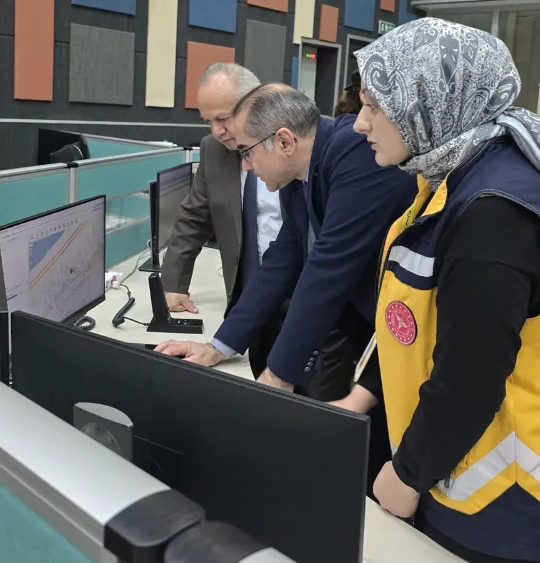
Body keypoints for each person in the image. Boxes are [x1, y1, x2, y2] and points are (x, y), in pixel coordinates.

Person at [337, 17, 540, 563]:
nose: (359, 123)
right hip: (455, 472)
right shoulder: (452, 174)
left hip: (499, 505)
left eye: (375, 106)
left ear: (429, 102)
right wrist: (362, 395)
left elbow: (471, 376)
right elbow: (416, 321)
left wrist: (407, 475)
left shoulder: (493, 214)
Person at [157, 84, 415, 401]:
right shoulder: (303, 172)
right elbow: (282, 260)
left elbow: (327, 269)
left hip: (408, 334)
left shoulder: (356, 152)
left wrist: (277, 376)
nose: (245, 166)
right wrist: (218, 346)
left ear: (285, 141)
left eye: (246, 152)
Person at [160, 62, 283, 378]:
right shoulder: (213, 149)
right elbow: (194, 217)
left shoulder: (289, 145)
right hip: (245, 302)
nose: (216, 131)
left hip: (298, 298)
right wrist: (173, 284)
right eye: (208, 121)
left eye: (224, 118)